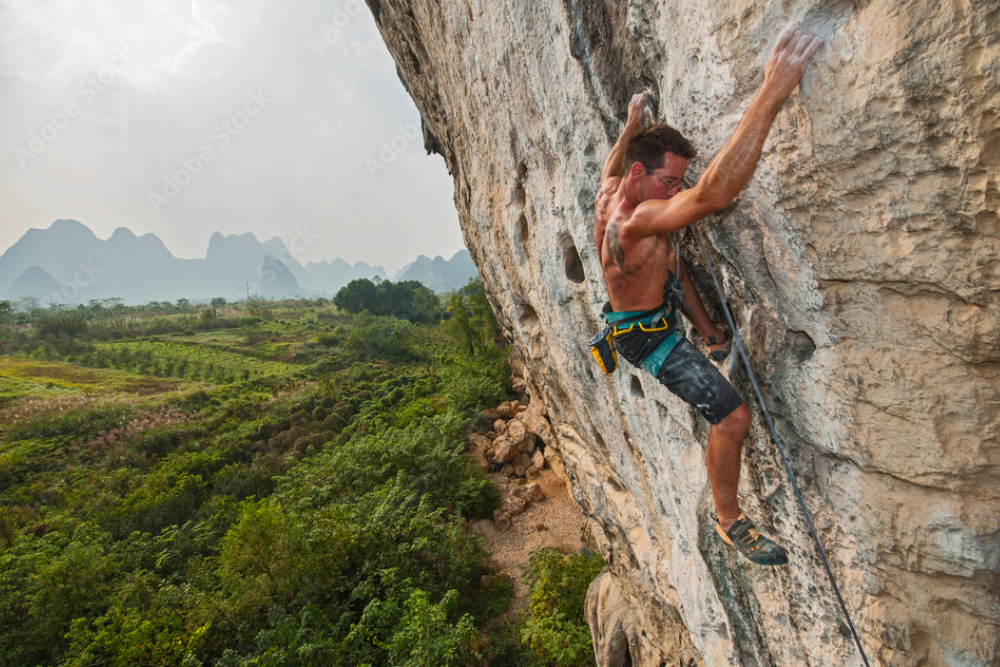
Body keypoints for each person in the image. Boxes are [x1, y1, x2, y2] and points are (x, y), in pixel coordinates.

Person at [593, 22, 822, 566]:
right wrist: (772, 90)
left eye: (679, 182)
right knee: (733, 419)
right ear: (642, 175)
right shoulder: (635, 222)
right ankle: (729, 521)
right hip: (648, 340)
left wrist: (631, 123)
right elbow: (713, 196)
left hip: (647, 307)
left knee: (674, 261)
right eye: (670, 181)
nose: (677, 190)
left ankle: (709, 332)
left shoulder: (612, 191)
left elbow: (612, 163)